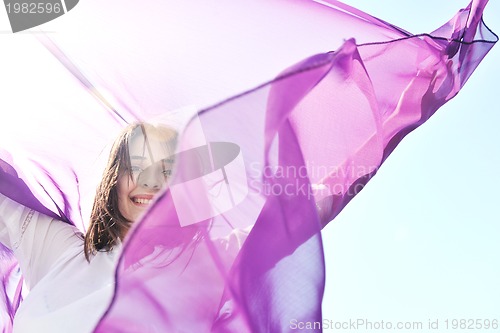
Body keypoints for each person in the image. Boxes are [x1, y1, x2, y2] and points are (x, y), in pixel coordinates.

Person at [0, 122, 177, 333]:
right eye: (136, 167)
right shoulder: (63, 250)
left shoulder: (193, 282)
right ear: (114, 181)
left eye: (166, 171)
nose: (150, 182)